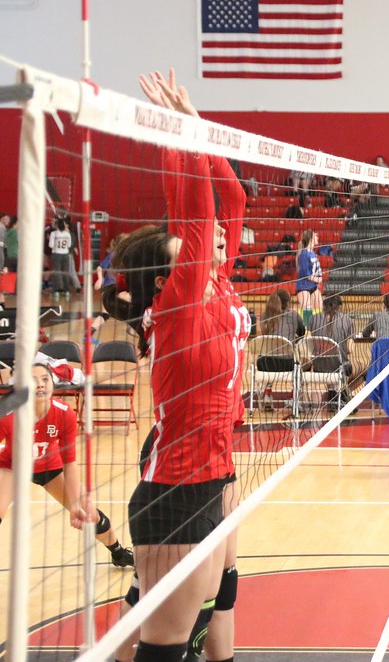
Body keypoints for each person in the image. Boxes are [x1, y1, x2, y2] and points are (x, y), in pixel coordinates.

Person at [102, 70, 249, 662]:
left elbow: (229, 200)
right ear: (166, 280)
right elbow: (193, 212)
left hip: (211, 472)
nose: (211, 245)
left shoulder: (216, 283)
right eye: (190, 250)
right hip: (175, 488)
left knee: (202, 615)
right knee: (163, 647)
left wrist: (200, 128)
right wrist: (176, 133)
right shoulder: (180, 308)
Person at [0, 361, 134, 567]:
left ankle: (118, 552)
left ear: (53, 385)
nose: (41, 385)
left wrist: (74, 504)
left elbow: (70, 463)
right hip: (12, 465)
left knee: (87, 511)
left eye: (45, 380)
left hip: (48, 467)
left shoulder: (64, 413)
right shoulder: (7, 413)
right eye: (33, 381)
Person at [296, 229, 323, 327]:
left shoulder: (313, 253)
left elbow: (317, 270)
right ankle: (307, 334)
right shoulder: (304, 254)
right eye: (316, 236)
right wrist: (318, 279)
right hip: (303, 287)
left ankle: (319, 330)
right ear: (311, 239)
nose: (317, 237)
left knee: (319, 310)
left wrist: (319, 277)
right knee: (307, 313)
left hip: (313, 286)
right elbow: (305, 273)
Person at [48, 217, 79, 300]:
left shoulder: (53, 234)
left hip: (56, 254)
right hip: (65, 254)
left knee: (57, 272)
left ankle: (57, 290)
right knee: (65, 272)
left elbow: (50, 245)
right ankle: (67, 290)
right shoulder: (67, 234)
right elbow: (69, 245)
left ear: (57, 225)